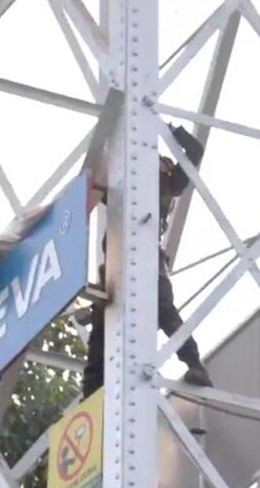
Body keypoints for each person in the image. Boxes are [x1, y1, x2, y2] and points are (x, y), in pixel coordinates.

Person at [82, 124, 212, 396]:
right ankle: (92, 392)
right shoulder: (129, 178)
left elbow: (195, 152)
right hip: (121, 261)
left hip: (138, 258)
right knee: (107, 325)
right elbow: (97, 179)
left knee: (161, 310)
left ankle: (193, 362)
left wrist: (169, 131)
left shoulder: (160, 181)